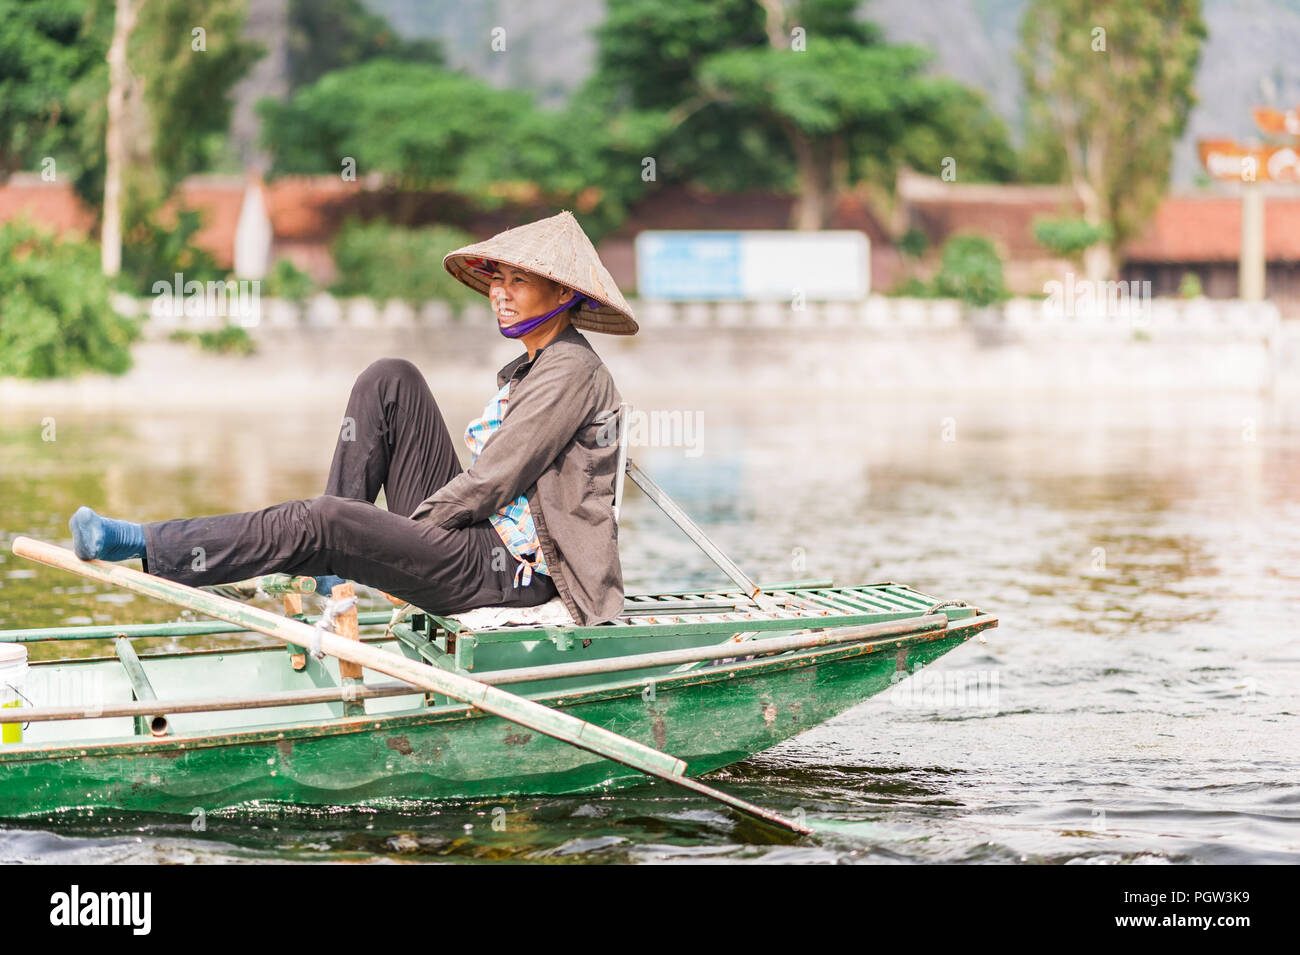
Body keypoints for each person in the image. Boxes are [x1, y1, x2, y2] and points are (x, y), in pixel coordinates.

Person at [68, 210, 638, 626]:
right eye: (497, 279)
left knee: (328, 521)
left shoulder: (569, 369)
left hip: (513, 572)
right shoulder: (535, 365)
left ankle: (144, 542)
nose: (501, 294)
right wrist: (393, 541)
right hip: (479, 539)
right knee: (391, 378)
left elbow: (492, 481)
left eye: (519, 281)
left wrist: (397, 540)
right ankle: (329, 568)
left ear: (561, 291)